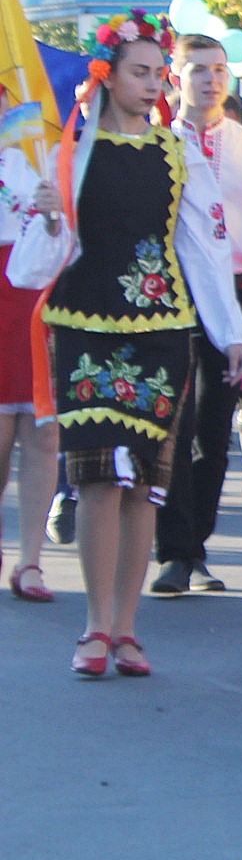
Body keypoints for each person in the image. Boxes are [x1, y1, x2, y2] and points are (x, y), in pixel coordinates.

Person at [9, 12, 242, 677]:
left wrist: (228, 334)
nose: (152, 84)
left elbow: (205, 249)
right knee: (95, 483)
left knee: (144, 484)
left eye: (157, 73)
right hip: (85, 326)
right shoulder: (73, 152)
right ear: (106, 76)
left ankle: (128, 627)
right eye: (139, 72)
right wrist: (48, 216)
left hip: (162, 332)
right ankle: (93, 625)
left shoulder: (181, 152)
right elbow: (31, 270)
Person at [146, 33, 242, 599]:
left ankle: (197, 546)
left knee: (214, 428)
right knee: (173, 423)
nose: (210, 80)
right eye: (197, 69)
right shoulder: (157, 142)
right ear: (176, 76)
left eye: (219, 69)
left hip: (236, 298)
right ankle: (173, 550)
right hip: (169, 294)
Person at [0, 123, 59, 602]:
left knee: (42, 434)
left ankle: (31, 560)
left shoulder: (41, 151)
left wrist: (53, 213)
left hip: (39, 298)